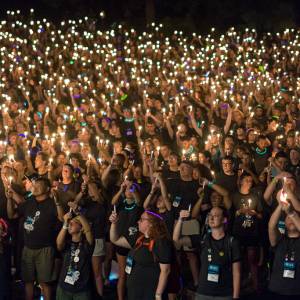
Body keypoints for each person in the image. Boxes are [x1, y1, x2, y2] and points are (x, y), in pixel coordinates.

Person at [7, 177, 64, 300]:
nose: (35, 187)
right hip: (28, 248)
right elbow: (12, 214)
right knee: (28, 281)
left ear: (47, 188)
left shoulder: (52, 203)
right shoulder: (29, 201)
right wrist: (9, 199)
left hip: (45, 249)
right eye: (35, 185)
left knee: (45, 283)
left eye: (39, 185)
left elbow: (62, 219)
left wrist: (58, 201)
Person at [173, 207, 241, 300]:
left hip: (224, 294)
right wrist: (180, 219)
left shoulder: (232, 242)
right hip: (203, 293)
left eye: (216, 215)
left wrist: (236, 296)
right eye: (210, 215)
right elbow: (177, 239)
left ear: (224, 220)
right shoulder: (203, 239)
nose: (212, 218)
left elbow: (236, 272)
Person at [110, 210, 172, 300]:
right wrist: (114, 223)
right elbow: (115, 240)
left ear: (151, 223)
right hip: (134, 291)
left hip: (149, 292)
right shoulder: (138, 238)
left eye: (141, 219)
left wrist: (158, 294)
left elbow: (165, 271)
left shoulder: (161, 242)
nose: (138, 221)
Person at [268, 192, 300, 299]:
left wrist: (292, 213)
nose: (290, 219)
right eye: (287, 218)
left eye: (293, 218)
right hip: (277, 290)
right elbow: (271, 226)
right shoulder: (280, 239)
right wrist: (280, 205)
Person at [56, 210, 94, 300]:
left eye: (74, 223)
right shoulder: (67, 243)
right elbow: (59, 244)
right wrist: (65, 223)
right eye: (70, 223)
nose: (70, 224)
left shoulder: (87, 244)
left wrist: (79, 214)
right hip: (64, 288)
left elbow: (88, 230)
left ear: (81, 228)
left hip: (82, 290)